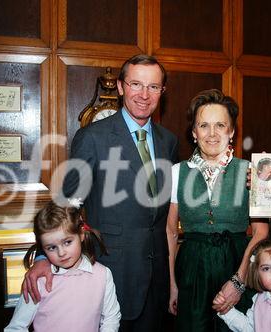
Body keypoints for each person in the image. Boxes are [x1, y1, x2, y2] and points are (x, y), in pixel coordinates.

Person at [22, 54, 179, 332]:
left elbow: (162, 216)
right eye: (135, 84)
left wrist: (171, 280)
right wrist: (45, 258)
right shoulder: (93, 138)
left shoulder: (169, 141)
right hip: (112, 276)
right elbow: (65, 206)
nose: (144, 95)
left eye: (153, 87)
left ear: (162, 92)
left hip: (157, 281)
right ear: (120, 87)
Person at [166, 89, 269, 331]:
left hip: (237, 262)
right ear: (194, 133)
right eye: (203, 125)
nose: (212, 134)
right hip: (191, 269)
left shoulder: (251, 171)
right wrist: (172, 284)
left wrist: (239, 280)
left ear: (231, 131)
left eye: (220, 125)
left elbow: (261, 233)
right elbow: (170, 232)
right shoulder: (177, 172)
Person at [5, 200, 121, 331]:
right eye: (52, 247)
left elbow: (111, 318)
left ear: (81, 234)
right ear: (43, 248)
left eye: (67, 242)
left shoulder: (103, 275)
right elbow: (16, 327)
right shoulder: (39, 281)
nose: (61, 253)